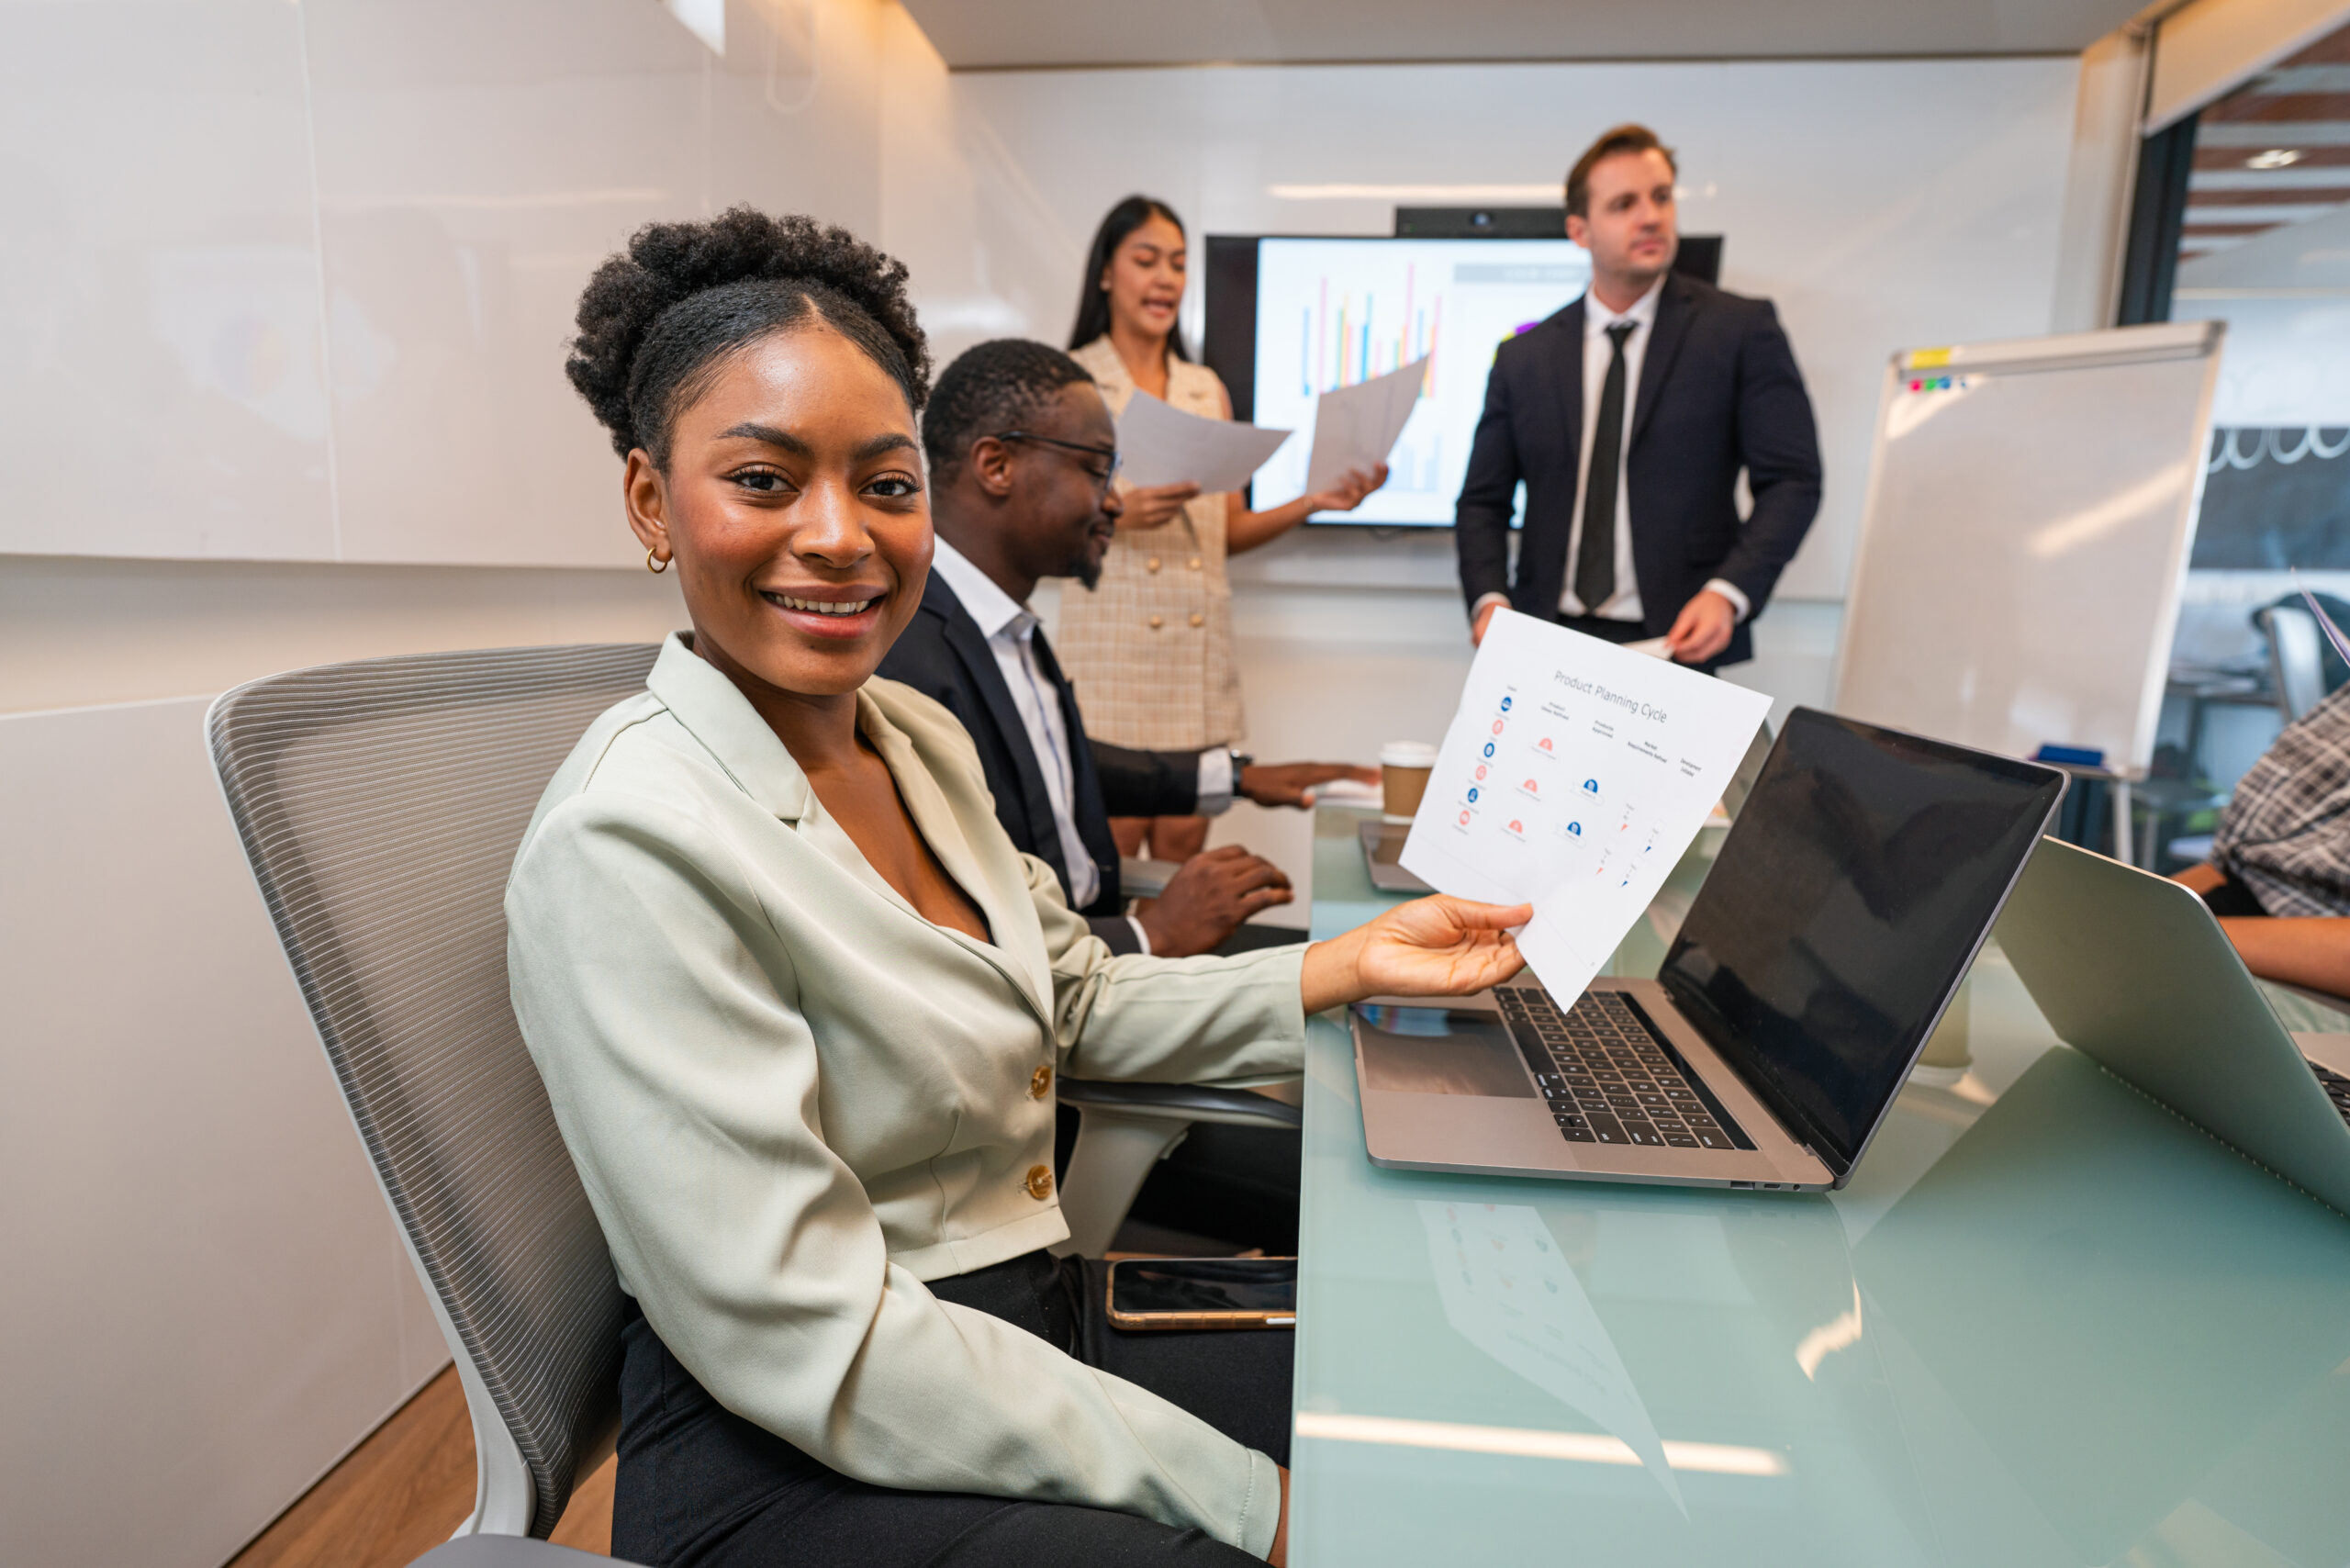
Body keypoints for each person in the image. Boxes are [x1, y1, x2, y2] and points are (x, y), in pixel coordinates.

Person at [516, 207, 1529, 1568]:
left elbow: (1076, 993)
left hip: (1010, 1322)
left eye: (884, 485)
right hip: (796, 1440)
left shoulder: (912, 736)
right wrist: (1244, 1501)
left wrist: (1348, 964)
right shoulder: (626, 843)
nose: (841, 537)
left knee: (1421, 1408)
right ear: (652, 502)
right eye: (764, 480)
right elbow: (819, 1336)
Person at [880, 337, 1371, 959]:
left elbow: (1048, 765)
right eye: (1095, 468)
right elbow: (949, 936)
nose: (1114, 500)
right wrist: (1151, 934)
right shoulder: (904, 656)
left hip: (1095, 946)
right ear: (996, 465)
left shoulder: (997, 621)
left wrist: (1235, 776)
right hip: (1059, 992)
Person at [1059, 195, 1387, 865]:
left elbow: (1225, 530)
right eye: (1146, 260)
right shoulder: (1072, 380)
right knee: (1110, 848)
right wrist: (1112, 512)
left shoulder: (1204, 385)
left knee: (1185, 850)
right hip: (1111, 647)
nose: (1166, 279)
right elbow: (1034, 520)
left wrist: (1313, 501)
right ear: (1105, 274)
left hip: (1194, 652)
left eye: (1177, 264)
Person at [1455, 124, 1823, 668]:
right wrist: (1490, 600)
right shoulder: (1523, 358)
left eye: (1661, 197)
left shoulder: (1739, 330)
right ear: (1579, 230)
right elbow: (1482, 501)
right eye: (1624, 204)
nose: (1650, 216)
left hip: (1676, 641)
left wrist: (1729, 591)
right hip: (1542, 639)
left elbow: (1792, 480)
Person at [2174, 681, 2350, 998]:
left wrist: (2178, 933)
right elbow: (2238, 860)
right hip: (2232, 915)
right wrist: (2147, 903)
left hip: (2294, 965)